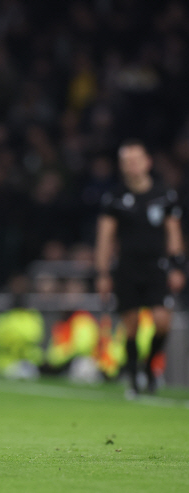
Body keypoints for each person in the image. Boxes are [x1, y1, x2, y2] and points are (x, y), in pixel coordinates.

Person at [95, 140, 185, 397]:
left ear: (147, 162)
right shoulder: (114, 198)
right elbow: (105, 237)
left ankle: (148, 366)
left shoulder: (164, 194)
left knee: (162, 322)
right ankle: (134, 377)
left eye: (135, 160)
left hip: (157, 266)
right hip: (127, 267)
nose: (131, 165)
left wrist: (177, 265)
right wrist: (102, 273)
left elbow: (173, 232)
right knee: (131, 324)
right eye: (126, 161)